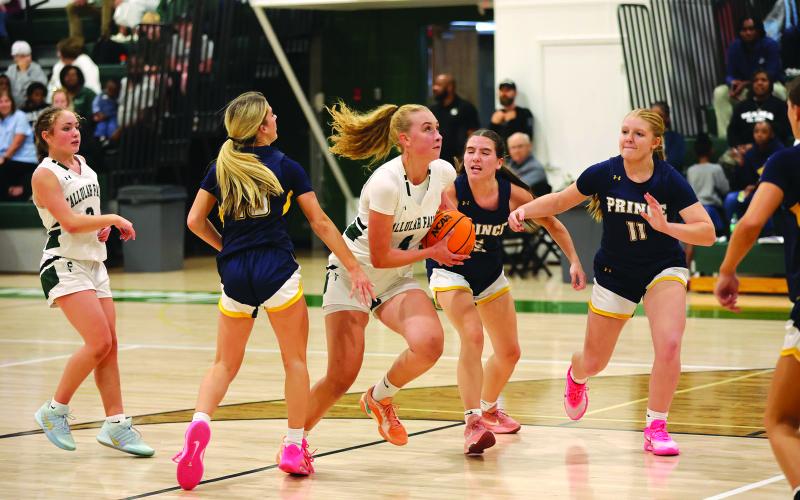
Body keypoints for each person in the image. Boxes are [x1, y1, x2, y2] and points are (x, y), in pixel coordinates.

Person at [172, 92, 373, 489]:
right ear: (262, 127)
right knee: (294, 361)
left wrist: (226, 248)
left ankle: (198, 424)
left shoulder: (220, 167)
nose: (276, 117)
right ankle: (294, 446)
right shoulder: (286, 166)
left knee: (224, 364)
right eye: (271, 114)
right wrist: (353, 265)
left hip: (235, 273)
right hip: (276, 270)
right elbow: (320, 223)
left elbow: (195, 220)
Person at [508, 108, 715, 456]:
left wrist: (667, 227)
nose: (628, 139)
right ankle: (577, 374)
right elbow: (559, 200)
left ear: (655, 142)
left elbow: (707, 233)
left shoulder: (669, 179)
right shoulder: (604, 173)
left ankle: (656, 426)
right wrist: (524, 211)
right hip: (615, 273)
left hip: (663, 268)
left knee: (669, 345)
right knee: (595, 361)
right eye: (624, 132)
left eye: (637, 134)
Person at [303, 101, 466, 447]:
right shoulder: (385, 183)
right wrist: (431, 252)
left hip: (393, 279)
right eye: (427, 129)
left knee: (429, 344)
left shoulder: (443, 174)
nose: (437, 135)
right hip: (353, 276)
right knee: (340, 376)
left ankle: (379, 397)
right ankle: (293, 441)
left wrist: (459, 233)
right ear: (404, 139)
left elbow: (448, 218)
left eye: (437, 128)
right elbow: (379, 254)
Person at [428, 129, 586, 455]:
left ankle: (488, 408)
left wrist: (573, 260)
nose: (475, 157)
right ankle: (473, 424)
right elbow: (423, 234)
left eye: (485, 152)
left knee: (510, 352)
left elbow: (553, 224)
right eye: (470, 151)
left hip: (488, 273)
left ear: (499, 161)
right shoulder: (451, 193)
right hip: (450, 270)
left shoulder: (512, 194)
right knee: (472, 336)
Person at [30, 106, 153, 456]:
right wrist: (112, 217)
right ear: (47, 136)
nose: (74, 132)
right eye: (66, 128)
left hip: (93, 264)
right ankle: (55, 410)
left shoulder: (86, 167)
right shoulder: (45, 174)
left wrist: (100, 229)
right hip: (63, 263)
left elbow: (85, 219)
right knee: (98, 342)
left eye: (76, 127)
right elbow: (67, 223)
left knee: (110, 345)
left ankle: (116, 425)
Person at [714, 78, 800, 500]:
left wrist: (727, 269)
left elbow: (749, 223)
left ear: (794, 112)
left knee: (781, 421)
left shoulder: (787, 162)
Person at [713, 16, 785, 138]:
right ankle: (724, 138)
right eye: (744, 29)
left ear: (758, 30)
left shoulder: (770, 45)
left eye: (751, 29)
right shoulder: (734, 47)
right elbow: (729, 74)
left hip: (767, 86)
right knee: (719, 93)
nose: (748, 32)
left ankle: (785, 133)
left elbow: (772, 73)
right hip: (743, 90)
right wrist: (733, 83)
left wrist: (747, 83)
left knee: (780, 91)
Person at [723, 120, 784, 228]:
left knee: (764, 202)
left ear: (771, 134)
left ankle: (767, 236)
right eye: (756, 131)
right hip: (751, 193)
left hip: (771, 194)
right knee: (731, 199)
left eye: (764, 132)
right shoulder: (751, 152)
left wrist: (756, 187)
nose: (759, 135)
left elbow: (777, 178)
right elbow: (741, 181)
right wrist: (741, 164)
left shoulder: (779, 151)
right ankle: (733, 232)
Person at [727, 70, 791, 149]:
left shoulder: (780, 105)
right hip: (743, 151)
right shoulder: (741, 107)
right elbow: (732, 132)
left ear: (770, 83)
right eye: (755, 80)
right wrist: (739, 147)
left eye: (764, 80)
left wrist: (757, 146)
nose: (759, 83)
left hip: (771, 150)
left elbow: (784, 132)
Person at [430, 73, 480, 164]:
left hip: (459, 160)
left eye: (439, 85)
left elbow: (473, 135)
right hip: (436, 160)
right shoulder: (432, 109)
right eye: (434, 84)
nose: (434, 88)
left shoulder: (466, 107)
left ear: (450, 87)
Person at [686, 134, 728, 236]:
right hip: (713, 211)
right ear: (711, 150)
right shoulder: (716, 169)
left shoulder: (691, 170)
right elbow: (725, 189)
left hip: (694, 211)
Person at [0, 89, 37, 200]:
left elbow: (17, 142)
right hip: (8, 162)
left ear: (12, 102)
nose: (4, 104)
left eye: (7, 101)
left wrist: (4, 158)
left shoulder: (19, 116)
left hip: (24, 160)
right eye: (0, 101)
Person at [507, 131, 550, 197]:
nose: (516, 151)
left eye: (520, 146)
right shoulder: (509, 165)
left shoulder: (536, 169)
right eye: (513, 147)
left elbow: (517, 190)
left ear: (529, 146)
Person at [6, 40, 47, 108]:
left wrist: (23, 72)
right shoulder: (11, 70)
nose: (28, 58)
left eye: (29, 55)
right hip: (14, 108)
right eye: (23, 56)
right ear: (15, 58)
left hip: (33, 108)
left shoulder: (36, 68)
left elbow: (40, 89)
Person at [650, 101, 686, 172]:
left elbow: (676, 162)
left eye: (659, 115)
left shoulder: (676, 138)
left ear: (667, 118)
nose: (654, 119)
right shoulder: (645, 139)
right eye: (652, 116)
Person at [92, 78, 119, 145]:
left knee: (112, 126)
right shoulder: (101, 95)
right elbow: (95, 104)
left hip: (112, 116)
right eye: (108, 88)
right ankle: (101, 139)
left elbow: (117, 110)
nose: (109, 91)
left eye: (112, 89)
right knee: (101, 126)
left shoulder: (117, 98)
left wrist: (108, 115)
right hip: (101, 116)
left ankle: (110, 141)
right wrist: (97, 112)